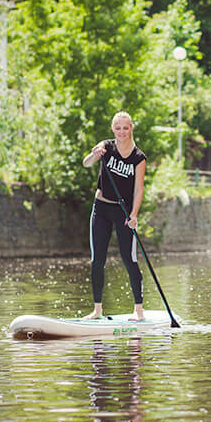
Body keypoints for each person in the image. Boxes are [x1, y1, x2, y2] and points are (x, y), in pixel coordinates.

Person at [82, 111, 147, 321]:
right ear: (112, 129)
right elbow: (86, 163)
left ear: (131, 129)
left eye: (125, 128)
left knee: (129, 259)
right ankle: (97, 310)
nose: (121, 132)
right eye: (117, 128)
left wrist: (134, 215)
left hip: (124, 213)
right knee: (97, 260)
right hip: (101, 209)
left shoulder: (138, 157)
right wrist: (95, 154)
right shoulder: (106, 147)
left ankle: (138, 311)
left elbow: (138, 190)